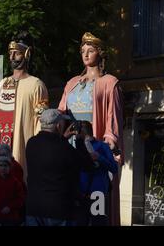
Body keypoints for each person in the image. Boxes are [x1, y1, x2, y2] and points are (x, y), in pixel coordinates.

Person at [58, 32, 123, 226]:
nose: (85, 55)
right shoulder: (71, 84)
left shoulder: (110, 83)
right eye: (82, 51)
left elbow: (114, 117)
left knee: (96, 212)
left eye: (91, 50)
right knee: (74, 211)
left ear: (100, 54)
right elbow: (62, 112)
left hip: (94, 151)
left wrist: (109, 141)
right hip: (71, 150)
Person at [0, 33, 49, 179]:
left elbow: (41, 122)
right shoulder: (0, 84)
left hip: (20, 144)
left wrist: (38, 150)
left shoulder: (36, 85)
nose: (12, 57)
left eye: (17, 53)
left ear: (27, 54)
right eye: (10, 53)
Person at [25, 109, 95, 226]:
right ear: (58, 125)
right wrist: (79, 141)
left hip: (34, 208)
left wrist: (62, 138)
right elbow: (88, 166)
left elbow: (49, 152)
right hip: (59, 210)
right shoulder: (65, 149)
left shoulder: (31, 143)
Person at [76, 120, 118, 226]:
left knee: (98, 223)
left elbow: (114, 168)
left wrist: (99, 157)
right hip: (81, 195)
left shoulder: (103, 146)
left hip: (97, 194)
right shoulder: (78, 148)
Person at [0, 156, 25, 226]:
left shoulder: (15, 182)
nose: (3, 168)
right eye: (1, 165)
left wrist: (10, 207)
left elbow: (20, 199)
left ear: (9, 167)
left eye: (5, 165)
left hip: (11, 218)